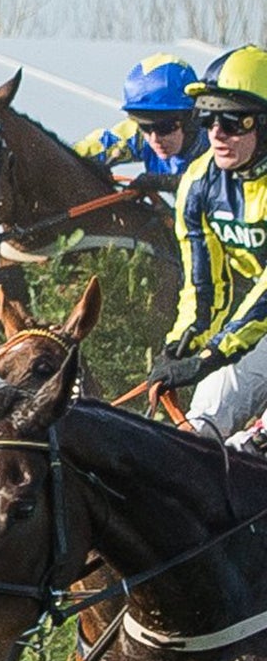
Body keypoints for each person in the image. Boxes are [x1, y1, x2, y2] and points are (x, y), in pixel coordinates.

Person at [146, 46, 267, 435]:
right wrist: (182, 343)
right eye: (207, 118)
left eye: (232, 120)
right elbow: (205, 286)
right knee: (197, 432)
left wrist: (215, 352)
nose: (216, 133)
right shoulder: (200, 182)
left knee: (256, 441)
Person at [74, 53, 208, 183]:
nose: (154, 139)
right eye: (144, 126)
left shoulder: (219, 139)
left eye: (164, 127)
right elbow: (91, 148)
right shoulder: (139, 135)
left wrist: (171, 182)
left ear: (191, 119)